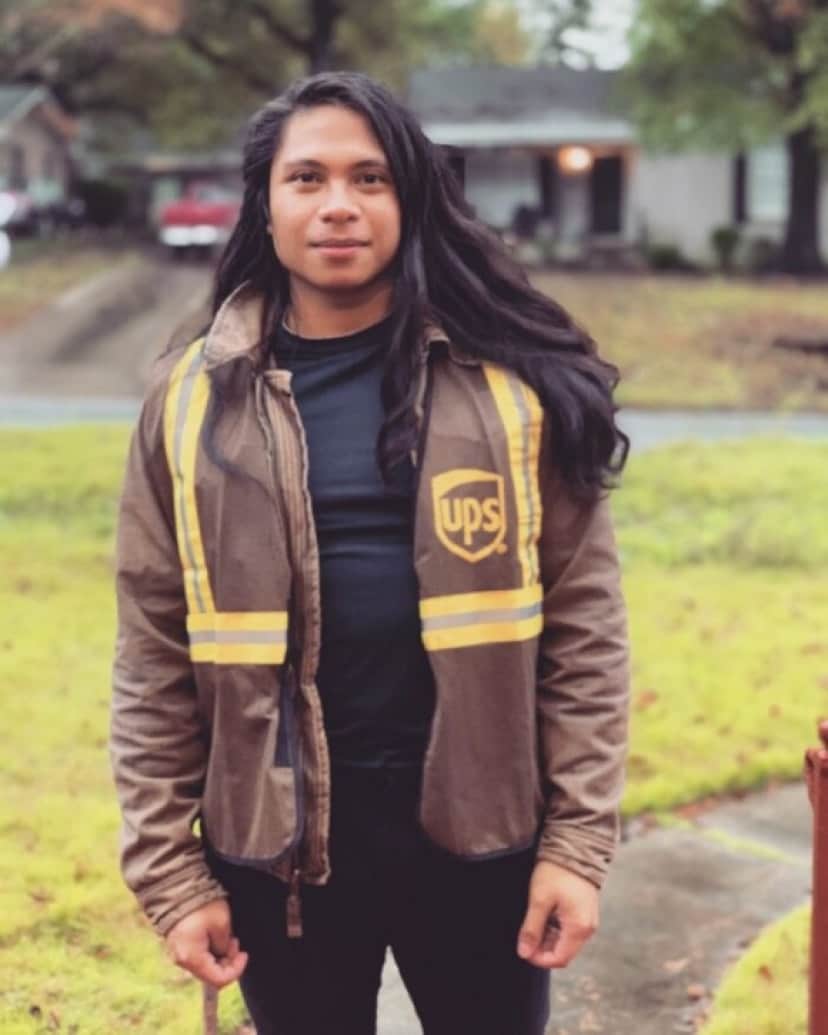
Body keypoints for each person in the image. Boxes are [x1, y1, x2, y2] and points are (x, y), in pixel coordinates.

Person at [110, 71, 630, 1035]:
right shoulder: (188, 405)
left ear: (411, 199)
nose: (339, 204)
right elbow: (151, 652)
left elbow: (586, 630)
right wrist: (173, 874)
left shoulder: (513, 389)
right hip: (277, 857)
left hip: (482, 846)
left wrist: (576, 845)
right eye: (307, 177)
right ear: (265, 204)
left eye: (371, 177)